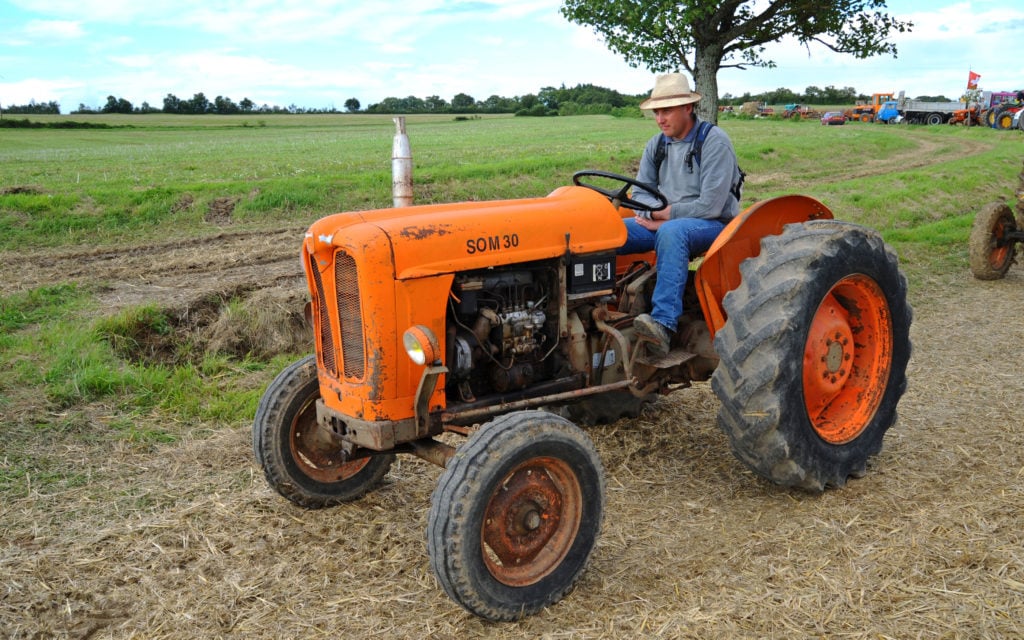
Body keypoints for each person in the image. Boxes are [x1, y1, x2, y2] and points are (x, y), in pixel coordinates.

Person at [621, 73, 743, 357]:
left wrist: (666, 216)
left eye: (667, 111)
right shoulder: (656, 145)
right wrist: (656, 214)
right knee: (606, 233)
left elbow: (711, 206)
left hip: (712, 225)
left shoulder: (713, 142)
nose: (660, 119)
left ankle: (663, 325)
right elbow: (639, 193)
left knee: (671, 232)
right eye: (656, 112)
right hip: (664, 222)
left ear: (688, 107)